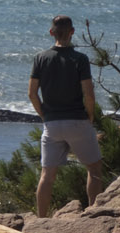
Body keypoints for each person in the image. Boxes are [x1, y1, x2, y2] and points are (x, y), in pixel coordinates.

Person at [28, 15, 104, 218]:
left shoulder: (40, 58)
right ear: (72, 32)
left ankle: (41, 219)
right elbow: (88, 93)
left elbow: (32, 93)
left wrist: (44, 114)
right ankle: (92, 213)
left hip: (52, 124)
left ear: (51, 32)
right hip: (78, 120)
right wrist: (90, 117)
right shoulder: (80, 59)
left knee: (47, 175)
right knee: (94, 170)